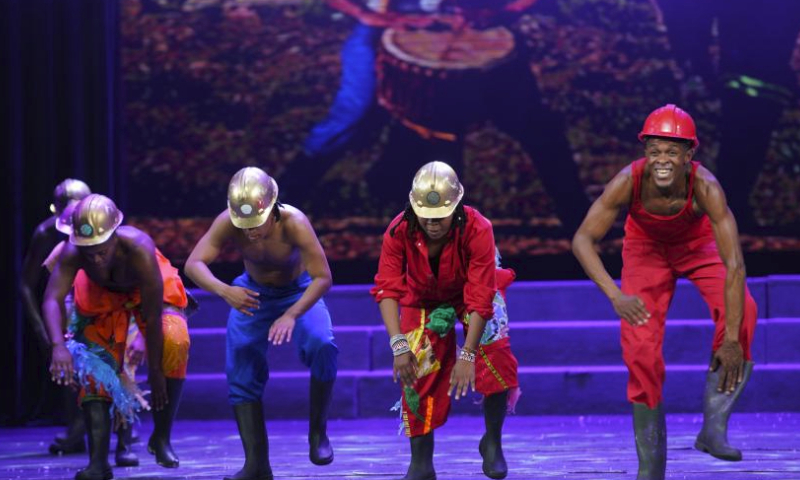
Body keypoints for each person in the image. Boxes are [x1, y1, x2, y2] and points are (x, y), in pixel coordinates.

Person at [280, 0, 590, 230]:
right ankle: (283, 203)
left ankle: (580, 220)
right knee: (353, 116)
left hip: (478, 33)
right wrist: (368, 15)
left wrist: (504, 11)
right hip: (384, 33)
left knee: (537, 127)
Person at [571, 104, 758, 480]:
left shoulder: (705, 187)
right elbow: (582, 240)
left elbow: (735, 266)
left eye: (672, 152)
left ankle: (713, 429)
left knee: (744, 314)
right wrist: (615, 295)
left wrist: (733, 338)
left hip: (698, 245)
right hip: (645, 250)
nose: (662, 160)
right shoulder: (628, 181)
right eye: (655, 151)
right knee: (640, 346)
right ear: (644, 152)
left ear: (690, 155)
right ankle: (652, 466)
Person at [184, 167, 338, 480]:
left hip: (298, 291)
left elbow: (323, 278)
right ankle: (256, 465)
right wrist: (225, 291)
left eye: (257, 223)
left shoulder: (294, 222)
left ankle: (318, 432)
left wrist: (291, 314)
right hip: (253, 292)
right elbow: (193, 264)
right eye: (245, 225)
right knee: (240, 358)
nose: (251, 231)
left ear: (272, 209)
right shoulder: (227, 221)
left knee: (322, 344)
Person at [371, 161, 519, 480]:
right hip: (423, 297)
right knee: (417, 363)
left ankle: (492, 441)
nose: (433, 223)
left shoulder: (478, 228)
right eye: (426, 215)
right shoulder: (398, 231)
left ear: (456, 207)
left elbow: (481, 295)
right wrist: (398, 345)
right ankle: (421, 462)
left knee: (495, 353)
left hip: (471, 289)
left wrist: (467, 354)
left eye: (441, 216)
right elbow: (387, 288)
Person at [43, 194, 191, 480]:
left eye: (102, 250)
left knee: (174, 339)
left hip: (144, 294)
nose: (96, 258)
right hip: (102, 297)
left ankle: (160, 437)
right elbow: (52, 298)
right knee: (93, 366)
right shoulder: (73, 252)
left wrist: (157, 370)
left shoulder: (138, 246)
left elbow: (151, 313)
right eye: (89, 252)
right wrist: (58, 345)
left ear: (113, 236)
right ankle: (98, 463)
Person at [19, 178, 91, 455]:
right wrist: (41, 329)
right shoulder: (46, 234)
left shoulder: (102, 225)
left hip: (99, 301)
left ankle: (119, 427)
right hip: (65, 302)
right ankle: (76, 426)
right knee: (66, 364)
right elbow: (26, 284)